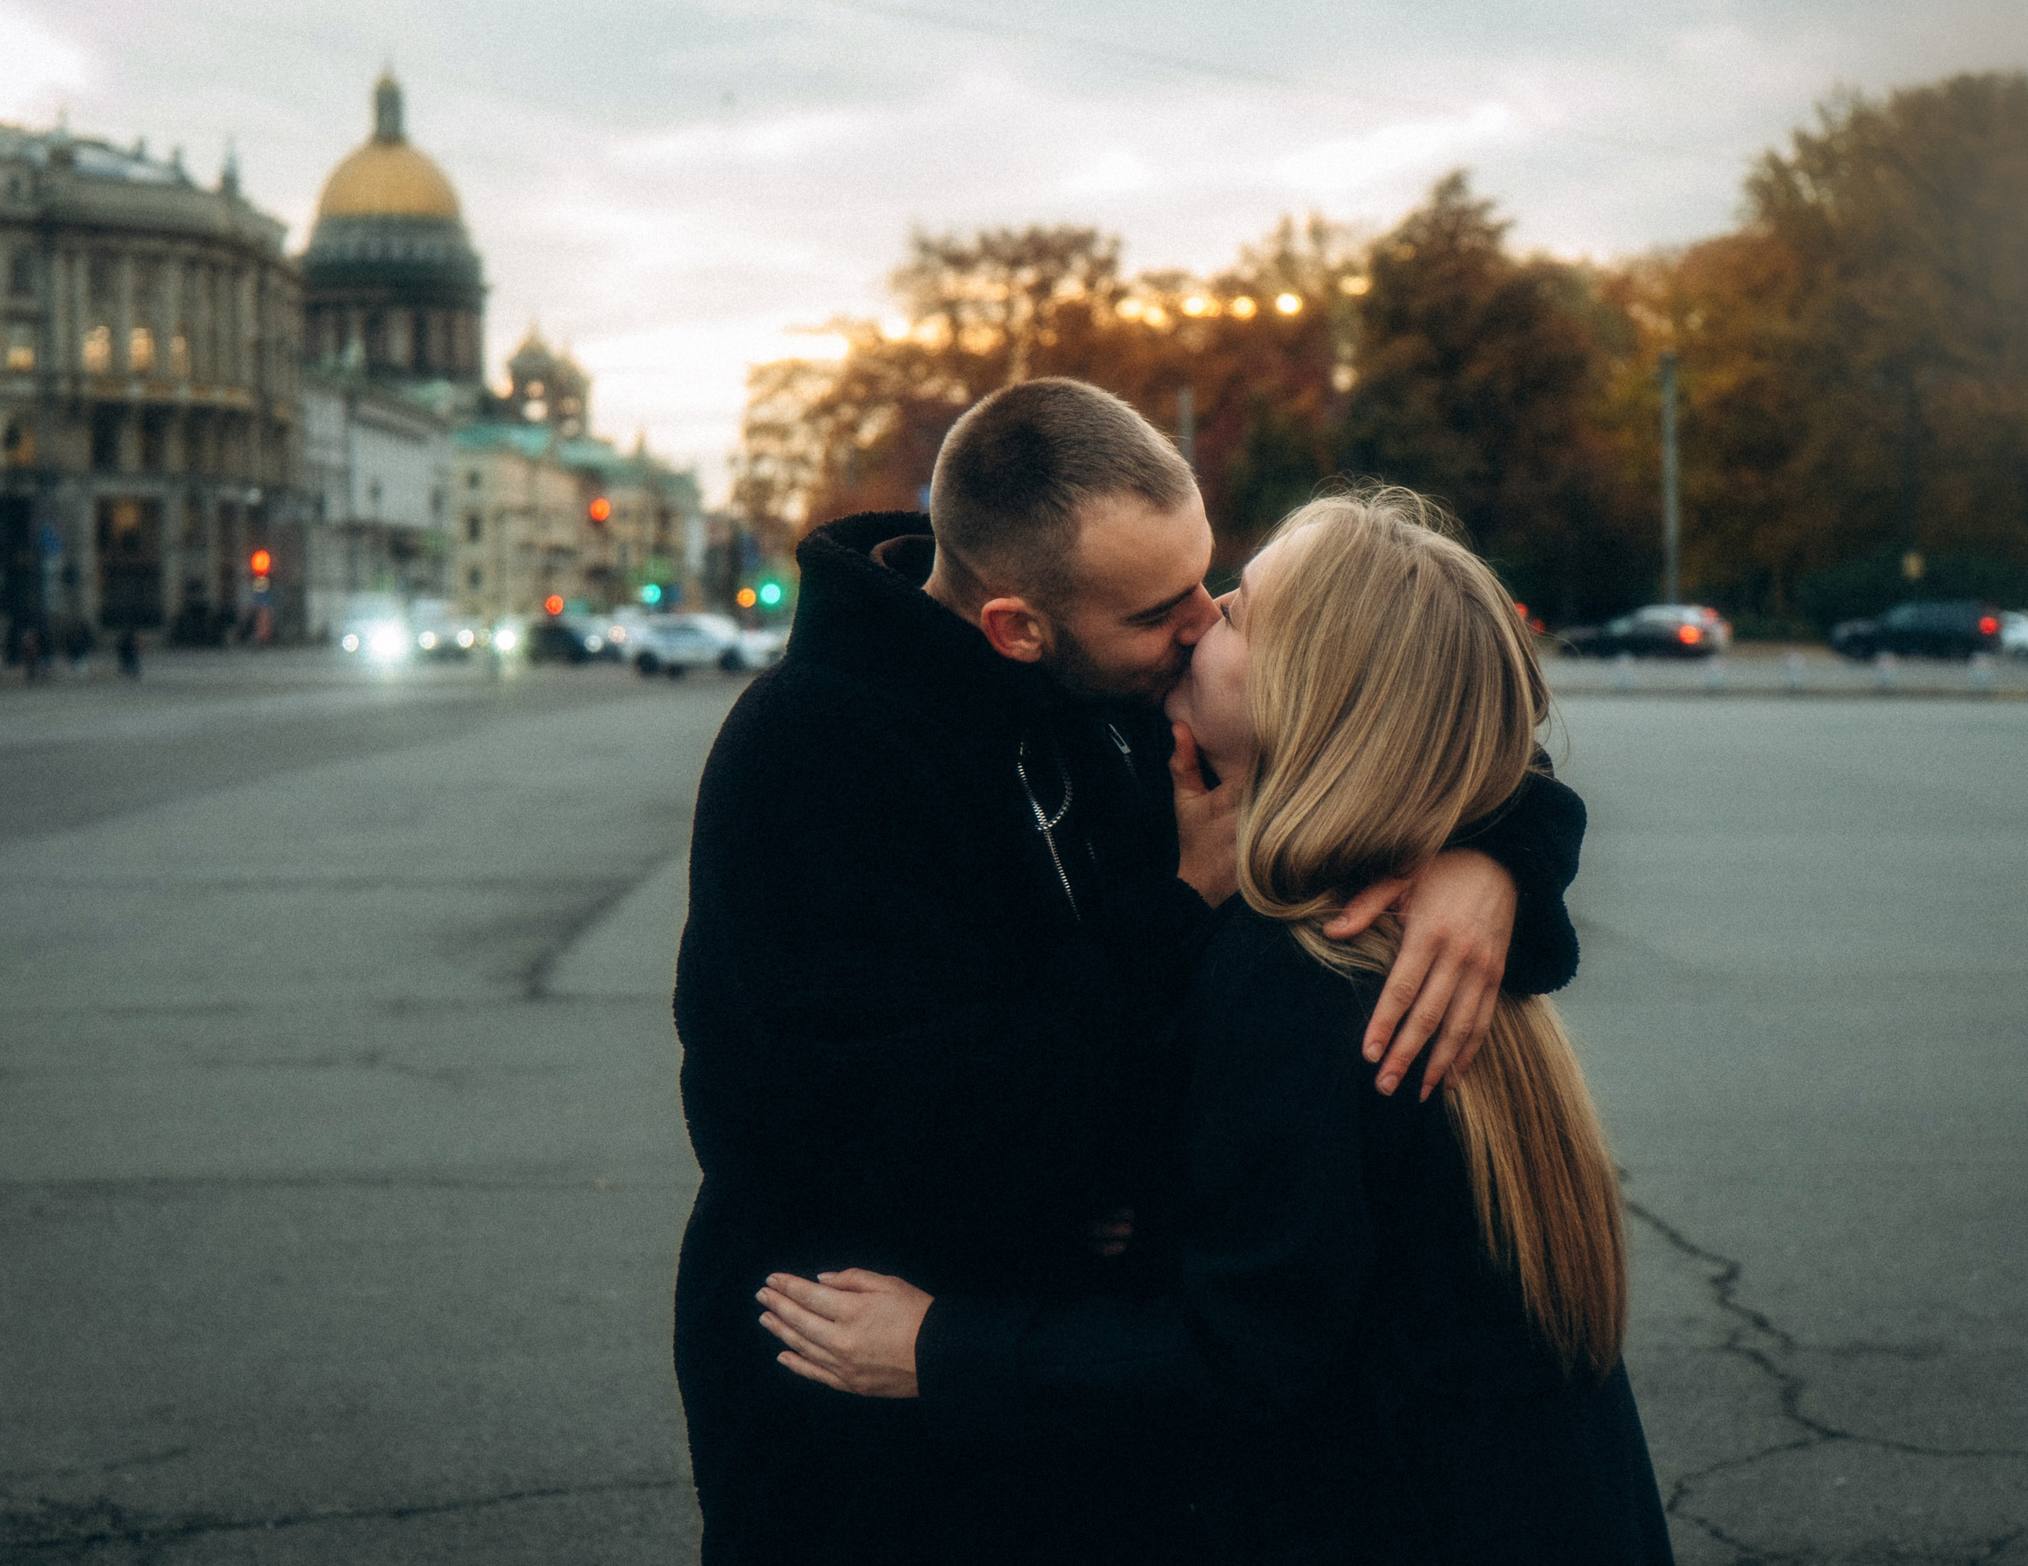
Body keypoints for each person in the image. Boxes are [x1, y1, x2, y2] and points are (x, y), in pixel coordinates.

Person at [674, 380, 1588, 1564]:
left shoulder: (1122, 690)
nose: (1203, 623)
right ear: (1018, 627)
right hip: (866, 1410)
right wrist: (1173, 914)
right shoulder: (808, 761)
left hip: (1090, 1388)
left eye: (1214, 582)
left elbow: (1408, 715)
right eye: (1165, 610)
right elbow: (862, 1140)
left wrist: (1494, 855)